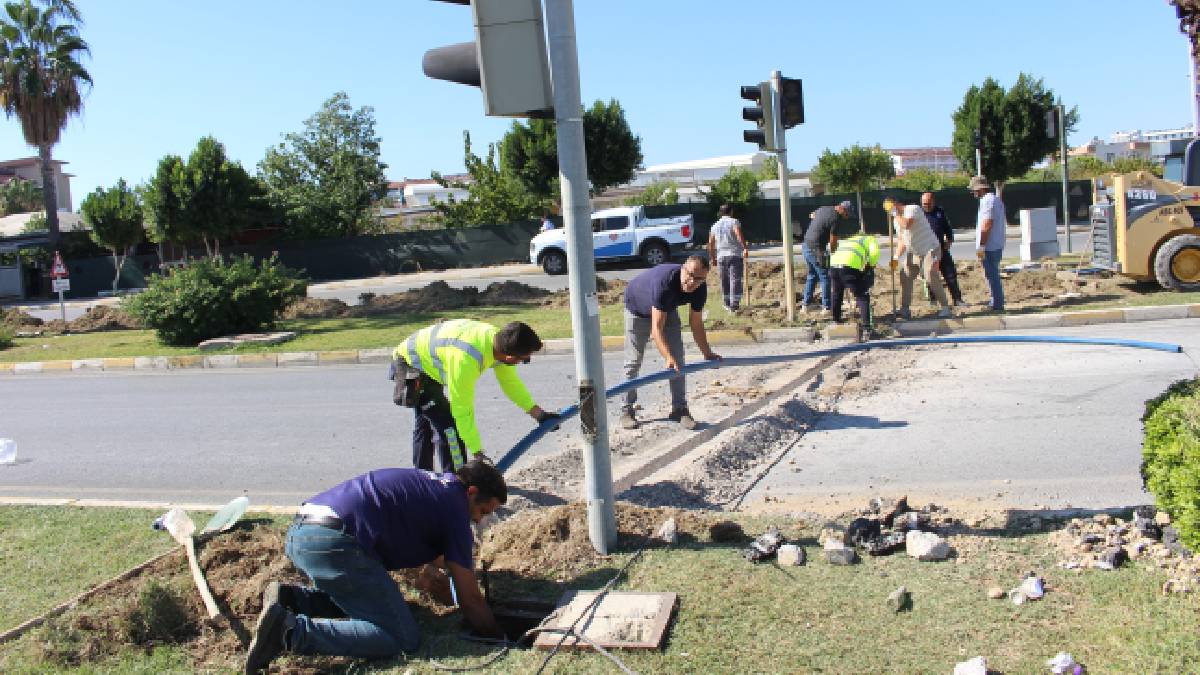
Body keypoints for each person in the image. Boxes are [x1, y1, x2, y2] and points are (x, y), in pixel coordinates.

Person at [244, 460, 507, 672]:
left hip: (303, 532)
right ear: (471, 492)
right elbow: (472, 600)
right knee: (401, 636)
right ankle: (289, 632)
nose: (479, 520)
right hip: (336, 544)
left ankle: (292, 600)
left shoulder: (435, 487)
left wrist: (449, 577)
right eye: (483, 511)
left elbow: (440, 560)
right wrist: (499, 637)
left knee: (375, 603)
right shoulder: (456, 510)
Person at [392, 319, 559, 472]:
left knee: (426, 422)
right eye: (524, 359)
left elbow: (511, 384)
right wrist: (477, 451)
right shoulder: (466, 361)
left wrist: (539, 414)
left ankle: (423, 478)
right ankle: (457, 483)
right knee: (450, 430)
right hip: (412, 364)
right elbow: (462, 409)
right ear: (509, 357)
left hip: (427, 360)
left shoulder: (498, 341)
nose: (523, 362)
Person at [620, 256, 721, 431]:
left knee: (678, 360)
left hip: (666, 307)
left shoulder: (699, 289)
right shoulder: (665, 283)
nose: (692, 282)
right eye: (690, 275)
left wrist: (707, 353)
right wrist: (668, 357)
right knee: (633, 362)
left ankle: (679, 409)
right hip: (637, 308)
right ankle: (626, 410)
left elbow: (696, 324)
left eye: (699, 279)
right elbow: (656, 330)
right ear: (683, 268)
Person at [886, 195, 952, 320]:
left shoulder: (913, 209)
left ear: (896, 203)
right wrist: (895, 257)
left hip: (930, 249)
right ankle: (905, 309)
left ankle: (945, 307)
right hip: (915, 252)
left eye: (889, 206)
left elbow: (907, 225)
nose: (888, 210)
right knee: (905, 275)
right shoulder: (896, 220)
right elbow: (902, 240)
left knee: (930, 274)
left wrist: (895, 212)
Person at [801, 200, 855, 315]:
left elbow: (812, 215)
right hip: (816, 248)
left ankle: (806, 305)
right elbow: (833, 240)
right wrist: (834, 252)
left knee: (812, 275)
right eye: (847, 214)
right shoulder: (836, 219)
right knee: (825, 276)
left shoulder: (823, 208)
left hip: (806, 245)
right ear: (842, 209)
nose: (846, 217)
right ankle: (827, 307)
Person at [829, 232, 881, 342]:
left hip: (833, 266)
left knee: (837, 293)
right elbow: (874, 253)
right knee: (862, 295)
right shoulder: (870, 239)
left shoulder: (850, 239)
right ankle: (867, 329)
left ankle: (835, 321)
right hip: (849, 267)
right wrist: (870, 266)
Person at [970, 175, 1006, 311]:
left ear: (980, 189)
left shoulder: (987, 201)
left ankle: (997, 303)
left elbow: (987, 224)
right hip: (995, 244)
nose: (973, 192)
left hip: (989, 246)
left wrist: (981, 246)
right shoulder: (995, 199)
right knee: (992, 274)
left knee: (991, 275)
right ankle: (995, 302)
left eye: (974, 190)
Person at [920, 192, 964, 305]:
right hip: (927, 250)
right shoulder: (919, 214)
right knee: (930, 275)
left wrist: (949, 240)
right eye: (924, 204)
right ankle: (933, 300)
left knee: (950, 274)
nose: (926, 206)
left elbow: (947, 227)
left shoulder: (939, 212)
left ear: (933, 201)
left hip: (941, 247)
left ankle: (957, 299)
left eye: (929, 203)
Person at [706, 203, 749, 312]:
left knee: (724, 280)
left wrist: (712, 258)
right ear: (731, 211)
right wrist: (744, 248)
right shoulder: (734, 222)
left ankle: (726, 303)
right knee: (735, 279)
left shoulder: (715, 225)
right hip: (734, 254)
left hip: (721, 256)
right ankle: (734, 304)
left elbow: (711, 243)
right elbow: (738, 234)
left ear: (720, 213)